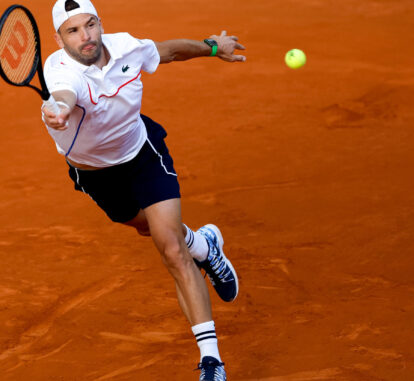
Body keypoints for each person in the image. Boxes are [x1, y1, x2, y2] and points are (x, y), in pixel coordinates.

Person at [41, 1, 246, 379]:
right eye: (73, 31)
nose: (86, 37)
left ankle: (211, 361)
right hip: (96, 174)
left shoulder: (126, 47)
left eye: (90, 25)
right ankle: (203, 246)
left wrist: (214, 47)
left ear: (100, 24)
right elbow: (64, 95)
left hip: (141, 153)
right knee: (145, 226)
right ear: (58, 39)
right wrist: (57, 109)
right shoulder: (58, 71)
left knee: (170, 249)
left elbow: (167, 52)